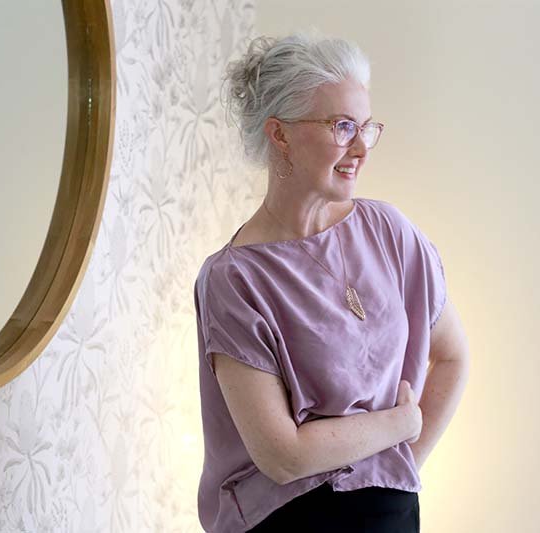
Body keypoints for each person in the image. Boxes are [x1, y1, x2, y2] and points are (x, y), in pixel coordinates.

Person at [193, 29, 470, 533]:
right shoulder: (234, 279)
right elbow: (283, 456)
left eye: (367, 127)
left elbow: (452, 356)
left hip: (391, 517)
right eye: (343, 126)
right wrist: (399, 425)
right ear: (279, 135)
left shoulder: (390, 232)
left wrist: (398, 471)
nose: (362, 146)